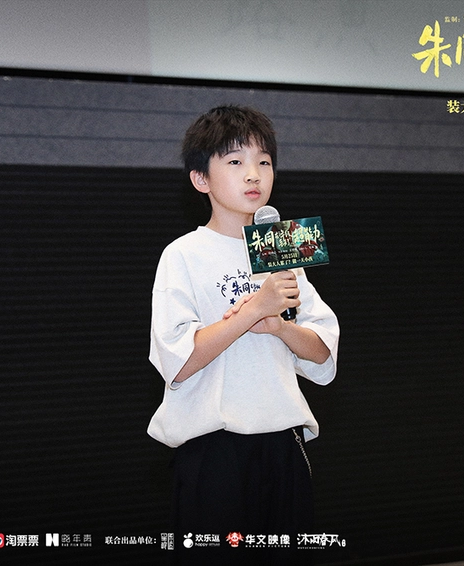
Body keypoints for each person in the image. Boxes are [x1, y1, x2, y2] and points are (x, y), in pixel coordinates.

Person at [147, 105, 339, 562]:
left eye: (264, 161)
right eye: (235, 161)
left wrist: (278, 326)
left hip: (283, 443)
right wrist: (253, 310)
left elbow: (322, 354)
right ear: (201, 179)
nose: (254, 174)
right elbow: (178, 361)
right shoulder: (183, 254)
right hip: (215, 451)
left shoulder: (283, 246)